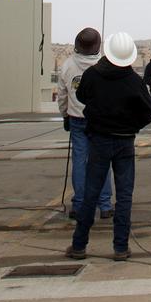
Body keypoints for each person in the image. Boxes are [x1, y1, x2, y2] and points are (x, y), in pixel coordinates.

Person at [66, 32, 151, 262]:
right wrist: (130, 125)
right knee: (124, 196)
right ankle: (121, 247)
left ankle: (78, 245)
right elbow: (147, 113)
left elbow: (82, 96)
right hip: (125, 142)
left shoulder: (92, 75)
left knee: (90, 193)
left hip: (100, 140)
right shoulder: (134, 81)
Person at [57, 27, 113, 221]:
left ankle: (79, 204)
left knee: (80, 162)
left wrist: (65, 115)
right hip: (100, 119)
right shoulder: (104, 64)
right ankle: (105, 205)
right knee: (102, 161)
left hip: (77, 119)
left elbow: (62, 95)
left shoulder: (67, 66)